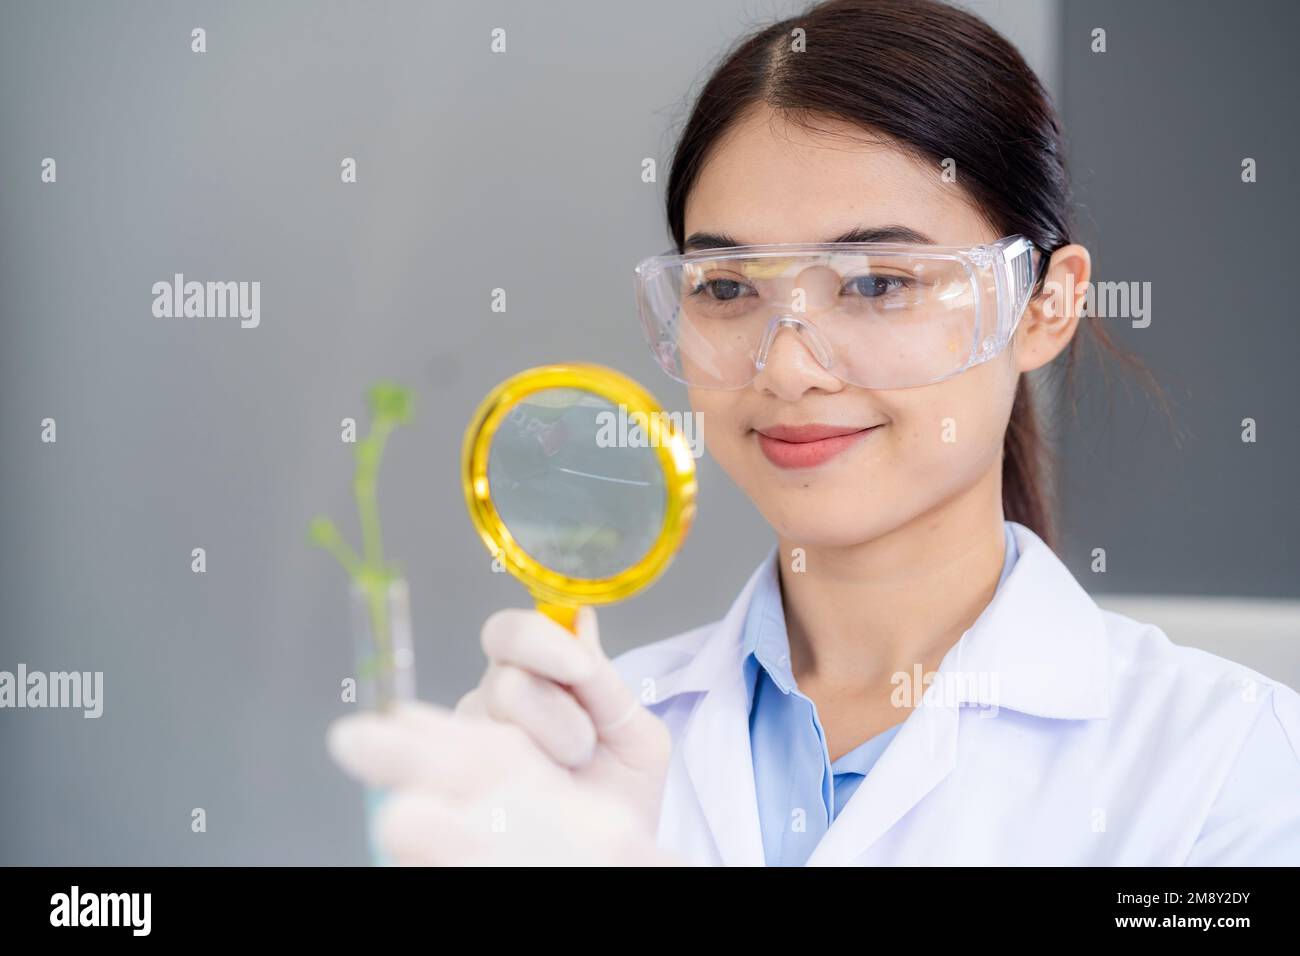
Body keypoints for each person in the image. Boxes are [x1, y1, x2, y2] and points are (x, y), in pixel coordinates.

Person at [327, 0, 1300, 865]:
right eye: (726, 288)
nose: (787, 365)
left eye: (878, 283)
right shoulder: (586, 742)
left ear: (1044, 306)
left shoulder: (1232, 764)